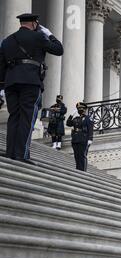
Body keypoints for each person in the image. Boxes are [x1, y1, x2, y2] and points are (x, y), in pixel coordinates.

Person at [0, 13, 63, 162]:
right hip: (30, 81)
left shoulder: (7, 41)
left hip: (11, 83)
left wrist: (2, 87)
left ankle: (10, 152)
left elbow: (1, 66)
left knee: (14, 116)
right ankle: (21, 153)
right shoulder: (39, 37)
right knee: (27, 117)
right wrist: (49, 34)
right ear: (34, 24)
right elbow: (59, 49)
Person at [66, 102, 93, 171]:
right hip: (75, 139)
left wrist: (90, 138)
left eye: (81, 108)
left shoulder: (87, 118)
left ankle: (83, 170)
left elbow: (90, 128)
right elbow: (68, 123)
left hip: (83, 139)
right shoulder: (76, 118)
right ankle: (78, 169)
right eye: (78, 109)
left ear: (84, 109)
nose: (80, 110)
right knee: (76, 155)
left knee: (82, 155)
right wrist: (71, 115)